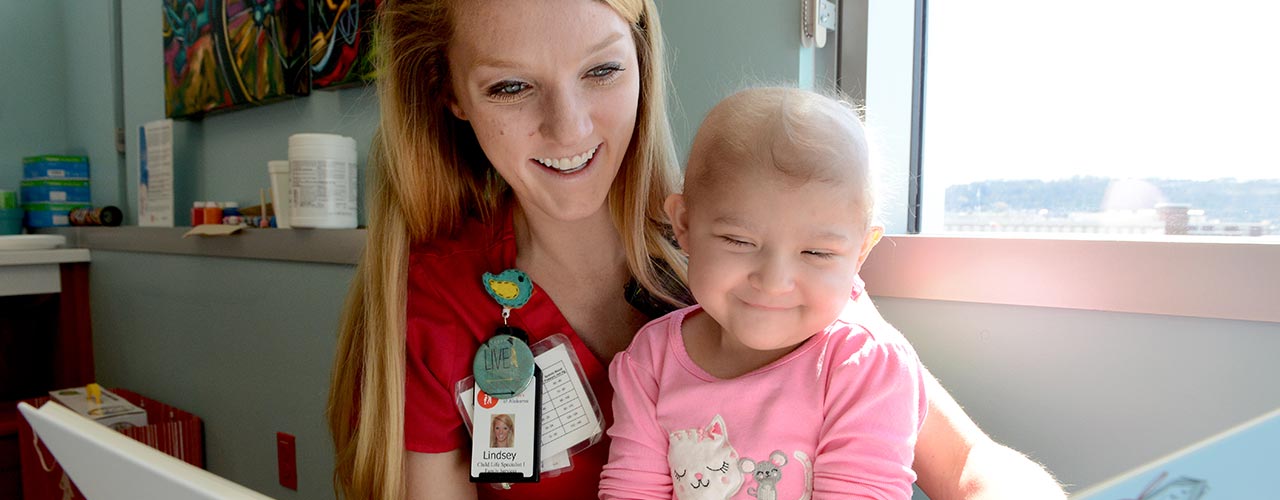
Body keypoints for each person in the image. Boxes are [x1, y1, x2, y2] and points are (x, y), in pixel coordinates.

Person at [325, 0, 1068, 499]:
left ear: (643, 60)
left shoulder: (769, 256)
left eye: (602, 70)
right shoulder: (434, 306)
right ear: (449, 92)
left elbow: (971, 465)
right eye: (512, 87)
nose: (570, 127)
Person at [600, 87, 925, 499]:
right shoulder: (650, 361)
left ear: (860, 252)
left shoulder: (865, 366)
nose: (773, 281)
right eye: (739, 241)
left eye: (816, 253)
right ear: (684, 225)